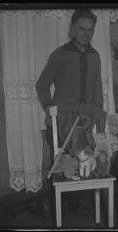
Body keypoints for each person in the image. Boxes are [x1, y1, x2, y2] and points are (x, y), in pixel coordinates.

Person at [35, 9, 103, 155]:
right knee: (61, 166)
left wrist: (98, 112)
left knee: (89, 164)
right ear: (72, 29)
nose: (86, 34)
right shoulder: (59, 54)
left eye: (90, 30)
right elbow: (42, 84)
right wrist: (48, 106)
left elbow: (97, 87)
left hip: (87, 121)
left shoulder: (95, 56)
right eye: (82, 29)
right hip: (61, 120)